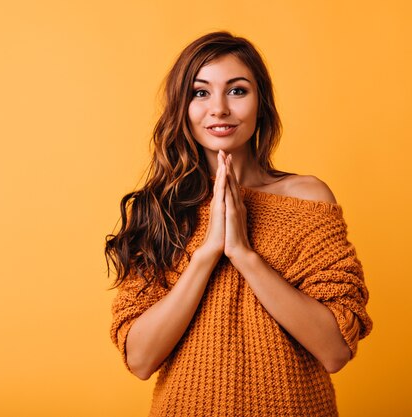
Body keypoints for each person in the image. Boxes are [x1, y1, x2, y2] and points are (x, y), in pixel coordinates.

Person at [105, 31, 373, 417]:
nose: (219, 109)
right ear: (182, 108)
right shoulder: (158, 210)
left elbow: (335, 351)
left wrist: (243, 253)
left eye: (237, 91)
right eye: (200, 93)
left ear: (261, 103)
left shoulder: (308, 199)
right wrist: (207, 252)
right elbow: (141, 358)